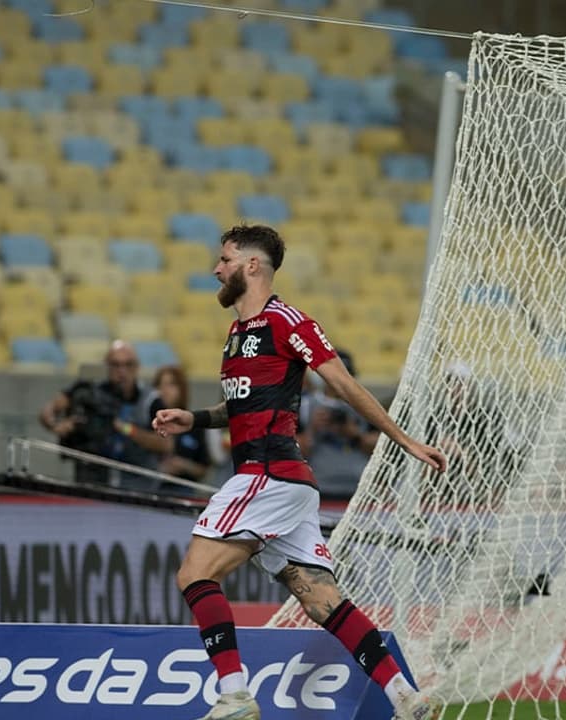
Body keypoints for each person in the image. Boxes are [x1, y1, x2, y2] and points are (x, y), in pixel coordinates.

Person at [152, 225, 449, 720]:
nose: (216, 269)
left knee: (195, 573)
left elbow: (343, 384)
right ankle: (405, 698)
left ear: (251, 266)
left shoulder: (287, 321)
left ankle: (235, 696)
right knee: (322, 601)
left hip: (267, 475)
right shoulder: (238, 333)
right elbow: (243, 404)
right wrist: (196, 418)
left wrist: (403, 440)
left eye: (224, 260)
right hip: (284, 484)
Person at [38, 340, 170, 491]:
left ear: (137, 367)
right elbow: (48, 411)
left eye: (128, 364)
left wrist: (125, 428)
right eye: (115, 365)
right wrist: (56, 425)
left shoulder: (151, 400)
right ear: (106, 366)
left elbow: (166, 444)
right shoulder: (90, 392)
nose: (122, 371)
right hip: (92, 481)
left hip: (137, 485)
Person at [296, 349, 379, 499]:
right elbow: (294, 451)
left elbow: (382, 450)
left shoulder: (365, 406)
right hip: (318, 488)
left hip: (357, 489)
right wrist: (312, 429)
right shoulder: (304, 406)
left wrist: (355, 434)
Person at [151, 365, 218, 490]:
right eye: (159, 385)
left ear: (182, 389)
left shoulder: (193, 422)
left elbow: (204, 469)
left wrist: (183, 465)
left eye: (170, 385)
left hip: (183, 491)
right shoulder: (149, 420)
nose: (164, 390)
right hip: (149, 488)